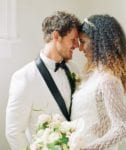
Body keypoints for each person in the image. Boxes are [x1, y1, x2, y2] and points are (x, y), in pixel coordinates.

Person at [6, 11, 81, 150]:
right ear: (56, 36)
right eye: (73, 39)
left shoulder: (74, 70)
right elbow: (13, 132)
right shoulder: (24, 77)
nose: (77, 45)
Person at [71, 14, 126, 150]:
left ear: (98, 42)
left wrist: (89, 148)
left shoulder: (108, 80)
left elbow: (123, 126)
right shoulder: (92, 75)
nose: (80, 48)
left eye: (83, 41)